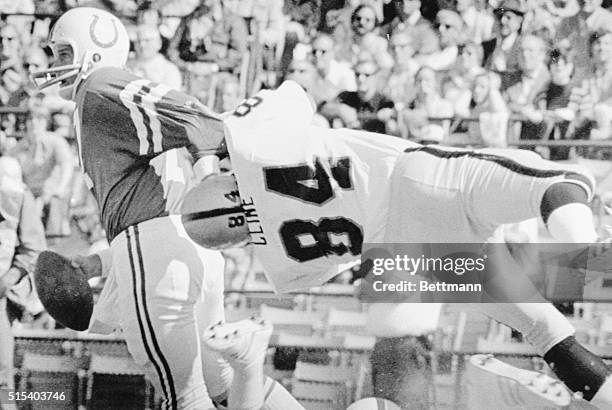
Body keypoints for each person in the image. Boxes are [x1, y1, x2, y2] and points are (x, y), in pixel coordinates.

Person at [188, 80, 612, 409]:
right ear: (223, 186)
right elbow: (287, 100)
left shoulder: (280, 264)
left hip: (418, 254)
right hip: (415, 181)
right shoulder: (253, 149)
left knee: (548, 334)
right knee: (561, 184)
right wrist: (210, 162)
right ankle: (590, 243)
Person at [32, 7, 229, 409]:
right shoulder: (111, 106)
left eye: (64, 53)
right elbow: (154, 210)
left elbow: (200, 119)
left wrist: (210, 171)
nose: (55, 65)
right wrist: (100, 264)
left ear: (94, 50)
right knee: (226, 388)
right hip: (190, 246)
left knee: (185, 399)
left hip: (157, 255)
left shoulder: (100, 85)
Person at [0, 156, 46, 408]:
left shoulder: (12, 189)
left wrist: (8, 279)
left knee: (1, 383)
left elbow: (34, 248)